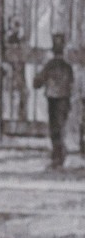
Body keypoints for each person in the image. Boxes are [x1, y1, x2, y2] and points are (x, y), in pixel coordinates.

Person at [33, 32, 74, 168]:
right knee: (60, 127)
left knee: (55, 128)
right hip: (64, 99)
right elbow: (71, 83)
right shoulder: (67, 67)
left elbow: (37, 82)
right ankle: (59, 155)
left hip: (53, 99)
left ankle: (57, 156)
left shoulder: (50, 65)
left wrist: (38, 81)